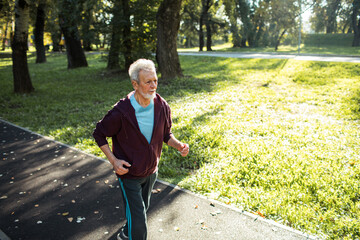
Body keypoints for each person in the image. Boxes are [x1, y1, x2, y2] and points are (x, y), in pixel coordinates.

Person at [93, 59, 189, 240]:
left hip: (151, 172)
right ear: (135, 84)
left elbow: (166, 134)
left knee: (140, 211)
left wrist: (179, 146)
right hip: (129, 174)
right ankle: (131, 233)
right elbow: (99, 133)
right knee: (139, 221)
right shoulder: (121, 112)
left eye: (155, 80)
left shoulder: (162, 106)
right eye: (148, 82)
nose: (153, 86)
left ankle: (125, 233)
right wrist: (114, 161)